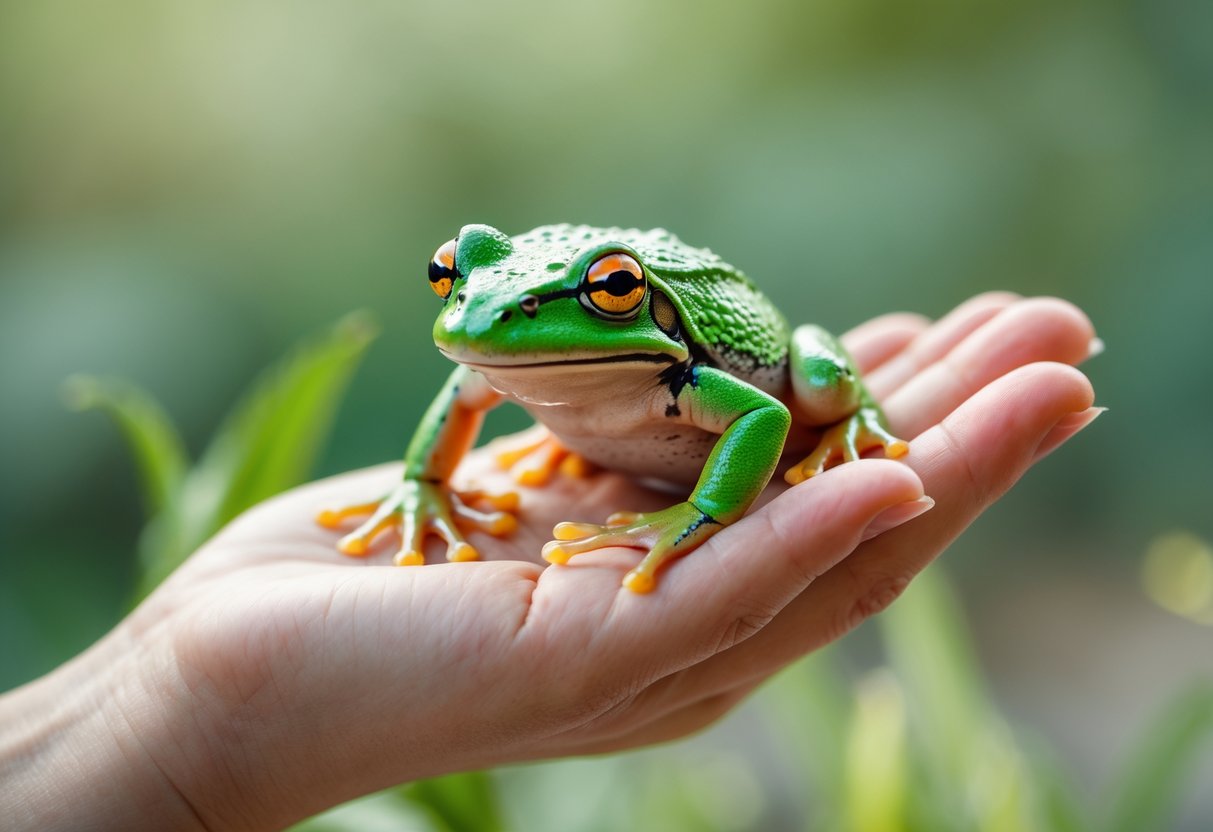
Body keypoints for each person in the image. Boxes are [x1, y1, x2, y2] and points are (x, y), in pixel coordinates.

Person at [0, 293, 1099, 832]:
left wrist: (697, 517)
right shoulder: (496, 352)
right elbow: (467, 387)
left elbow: (761, 422)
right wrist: (426, 484)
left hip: (749, 374)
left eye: (605, 290)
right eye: (453, 279)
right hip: (590, 432)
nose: (485, 317)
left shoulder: (682, 372)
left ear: (633, 303)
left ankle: (831, 400)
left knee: (816, 386)